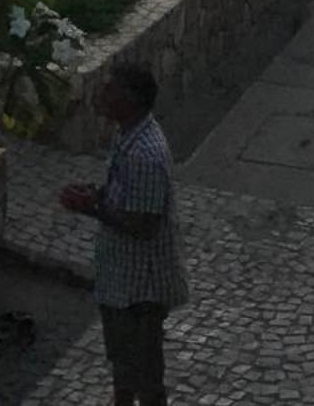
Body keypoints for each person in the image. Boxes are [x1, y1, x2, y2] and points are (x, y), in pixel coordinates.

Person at [60, 61, 190, 406]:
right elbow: (126, 196)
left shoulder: (145, 155)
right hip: (123, 284)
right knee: (124, 367)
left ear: (129, 99)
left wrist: (93, 208)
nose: (101, 95)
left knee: (146, 378)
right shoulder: (128, 136)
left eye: (109, 89)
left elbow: (144, 226)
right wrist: (99, 194)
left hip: (140, 289)